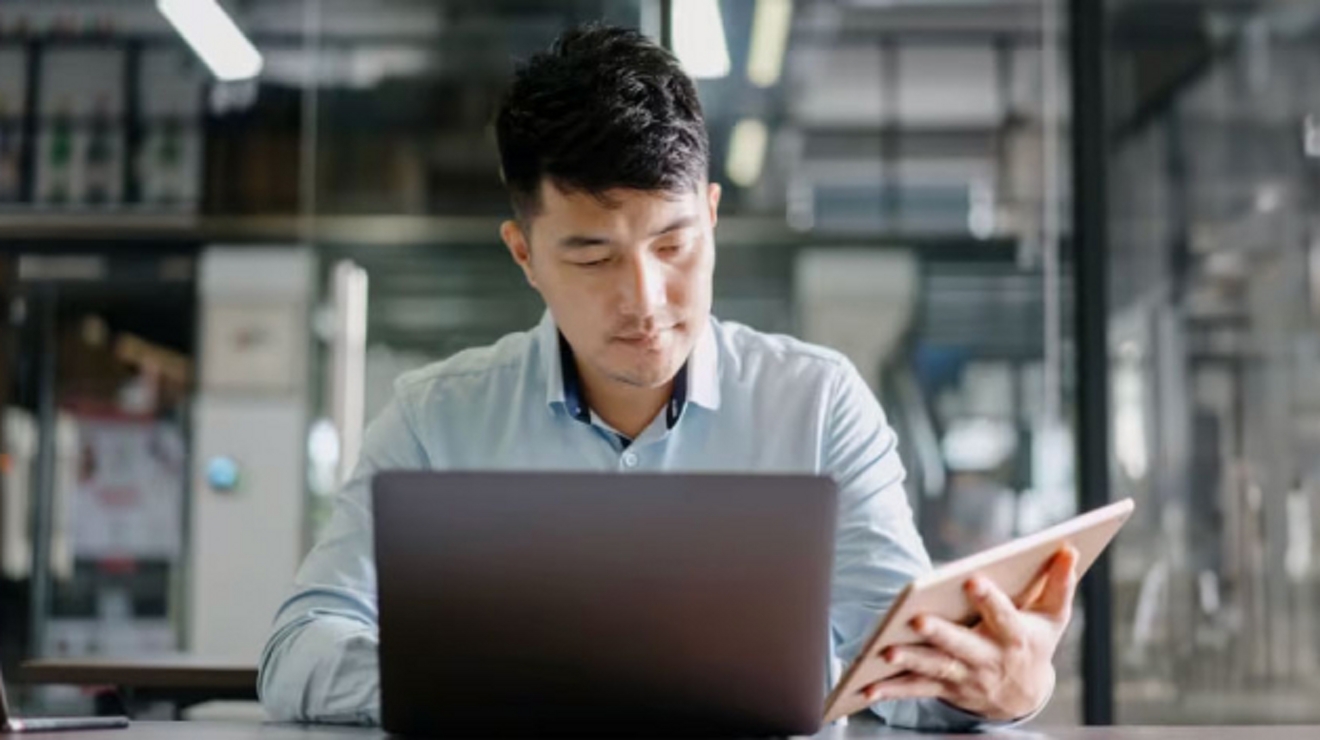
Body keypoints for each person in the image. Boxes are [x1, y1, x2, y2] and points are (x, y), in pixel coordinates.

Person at [257, 24, 1077, 731]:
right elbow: (298, 650)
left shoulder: (818, 405)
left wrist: (1006, 689)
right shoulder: (437, 420)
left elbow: (901, 668)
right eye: (592, 254)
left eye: (675, 245)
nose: (646, 301)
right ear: (524, 254)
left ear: (712, 216)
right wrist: (495, 686)